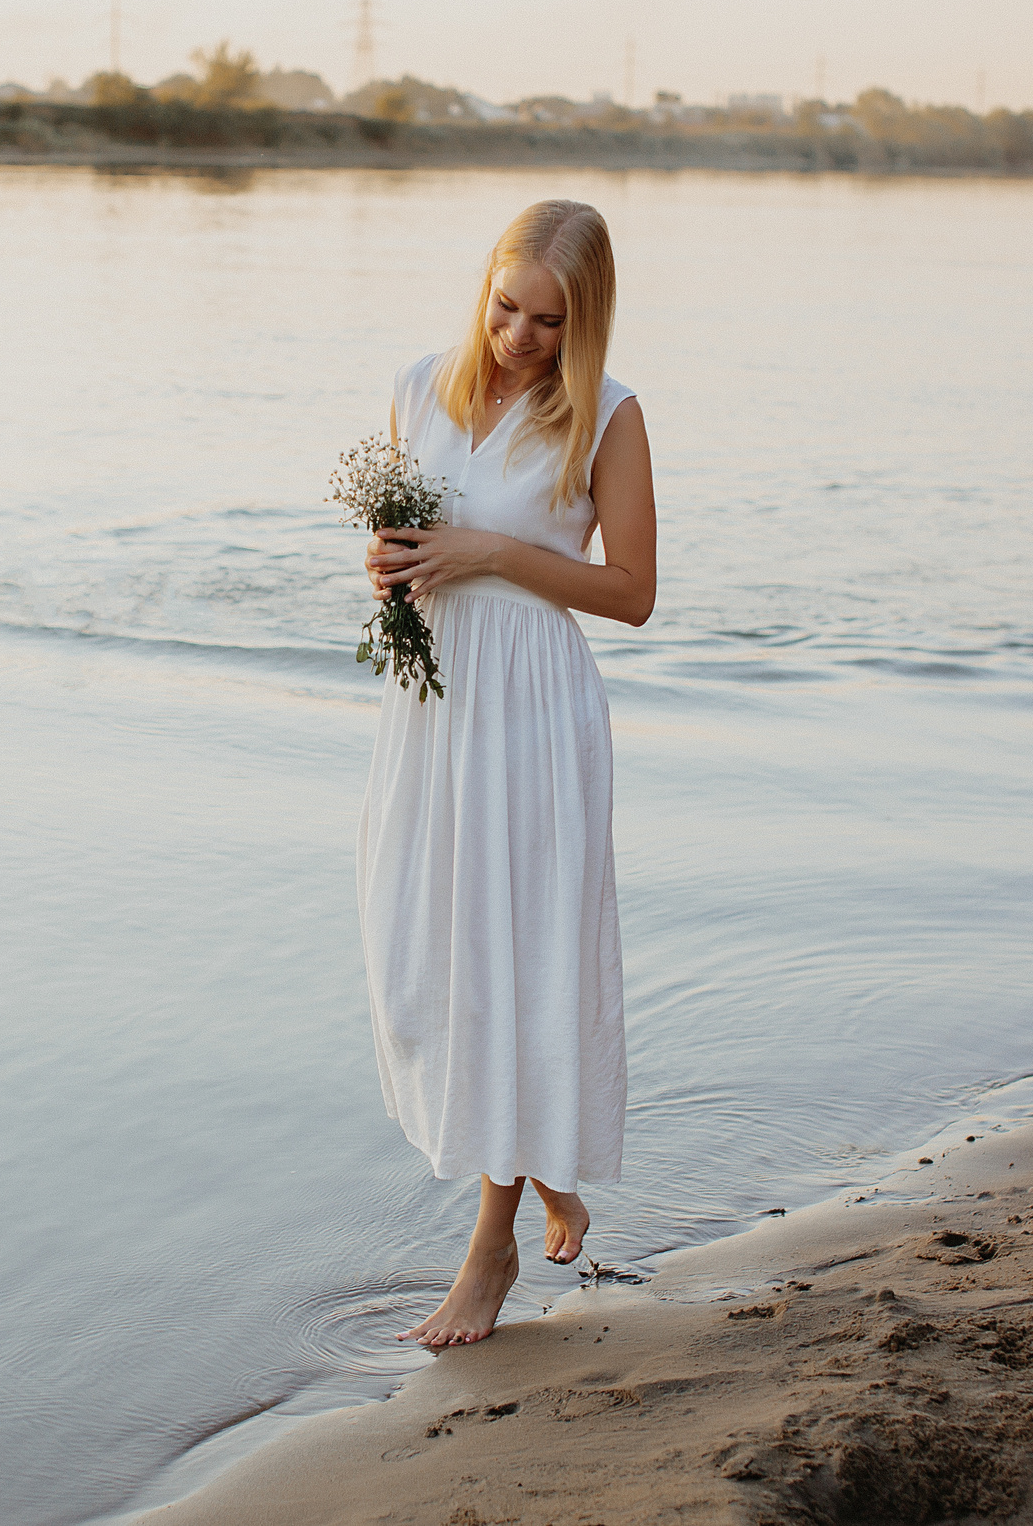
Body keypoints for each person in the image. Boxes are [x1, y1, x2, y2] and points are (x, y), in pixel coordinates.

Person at [360, 199, 656, 1349]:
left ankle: (488, 1253)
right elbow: (397, 540)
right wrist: (387, 565)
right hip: (432, 707)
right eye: (504, 308)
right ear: (481, 287)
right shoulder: (416, 385)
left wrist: (494, 553)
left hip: (534, 709)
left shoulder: (609, 417)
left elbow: (630, 592)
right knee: (421, 958)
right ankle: (546, 1171)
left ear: (582, 322)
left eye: (547, 321)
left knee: (513, 958)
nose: (519, 338)